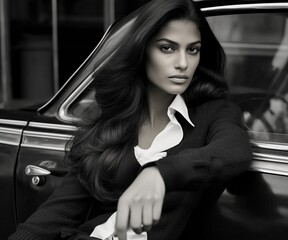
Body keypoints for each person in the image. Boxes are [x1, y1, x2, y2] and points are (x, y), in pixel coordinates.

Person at [9, 0, 252, 239]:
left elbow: (235, 150)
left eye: (193, 49)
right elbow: (52, 218)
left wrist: (160, 174)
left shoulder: (213, 113)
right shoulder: (112, 125)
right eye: (167, 48)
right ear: (141, 50)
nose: (183, 63)